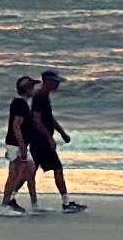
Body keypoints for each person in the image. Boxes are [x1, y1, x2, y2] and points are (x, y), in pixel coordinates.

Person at [29, 66, 85, 213]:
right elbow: (36, 119)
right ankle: (66, 203)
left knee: (30, 171)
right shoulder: (40, 96)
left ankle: (12, 198)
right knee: (57, 168)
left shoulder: (44, 96)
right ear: (47, 81)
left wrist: (62, 133)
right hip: (40, 140)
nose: (58, 85)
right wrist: (49, 138)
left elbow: (49, 117)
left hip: (39, 139)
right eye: (55, 82)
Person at [0, 73, 41, 212]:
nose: (34, 90)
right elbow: (16, 126)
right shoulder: (20, 104)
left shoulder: (21, 103)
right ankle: (5, 205)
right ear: (27, 89)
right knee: (14, 175)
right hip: (16, 145)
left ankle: (33, 205)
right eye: (32, 87)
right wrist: (22, 145)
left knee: (30, 171)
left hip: (18, 144)